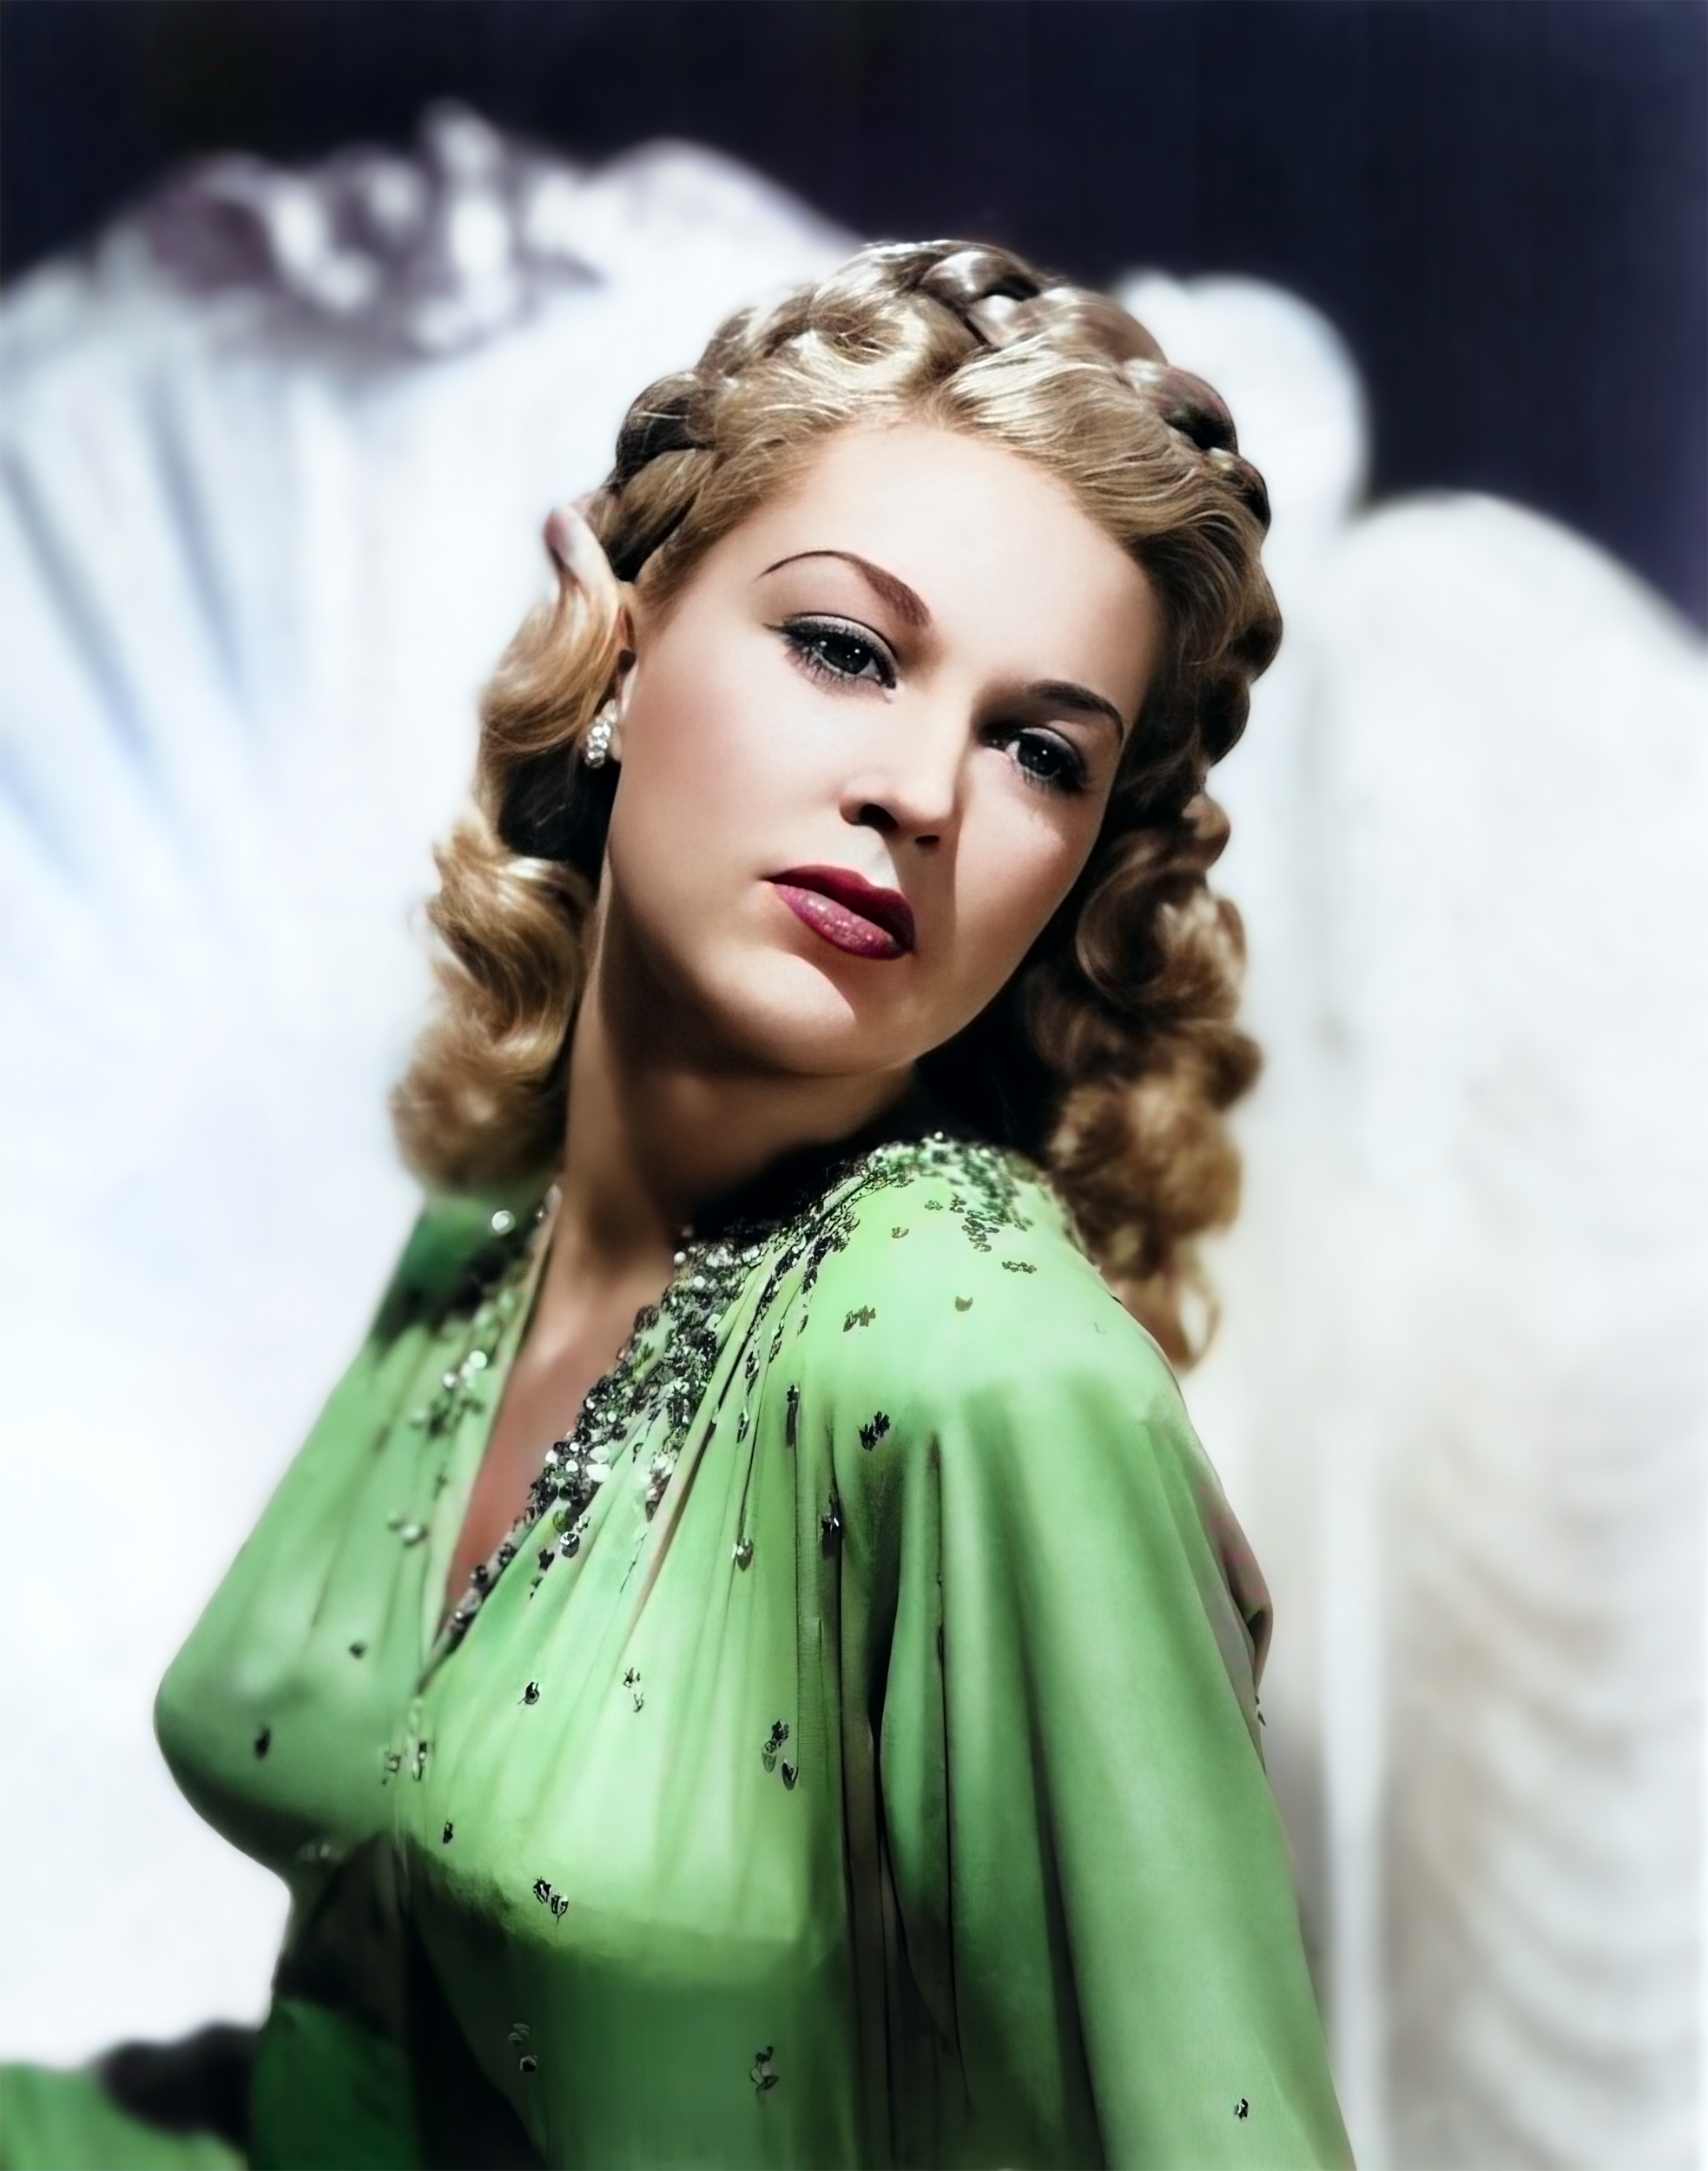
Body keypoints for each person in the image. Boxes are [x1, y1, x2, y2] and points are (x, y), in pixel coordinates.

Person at [0, 239, 1352, 2170]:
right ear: (619, 646)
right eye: (848, 649)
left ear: (1083, 858)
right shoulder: (487, 1237)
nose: (923, 791)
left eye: (1040, 750)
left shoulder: (984, 1378)